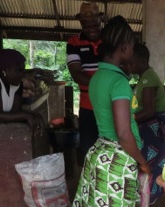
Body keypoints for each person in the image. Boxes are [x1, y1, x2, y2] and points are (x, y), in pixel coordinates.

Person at [66, 15, 150, 207]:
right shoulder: (119, 82)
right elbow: (125, 133)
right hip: (118, 159)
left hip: (98, 154)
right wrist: (142, 162)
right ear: (125, 46)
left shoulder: (98, 77)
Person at [129, 43, 165, 207]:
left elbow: (149, 110)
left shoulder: (149, 78)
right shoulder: (144, 78)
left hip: (154, 128)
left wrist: (130, 119)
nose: (128, 65)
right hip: (148, 127)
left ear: (141, 61)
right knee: (148, 170)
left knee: (150, 169)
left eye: (131, 62)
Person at [66, 2, 104, 166]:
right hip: (88, 106)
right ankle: (88, 186)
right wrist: (106, 85)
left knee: (110, 149)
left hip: (110, 105)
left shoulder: (109, 38)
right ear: (81, 23)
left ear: (100, 21)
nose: (91, 28)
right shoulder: (73, 42)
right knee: (88, 150)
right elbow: (77, 75)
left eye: (94, 24)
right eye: (86, 25)